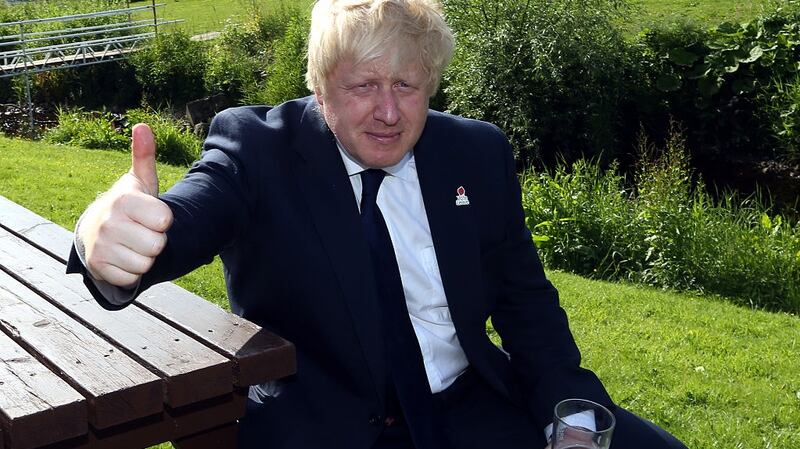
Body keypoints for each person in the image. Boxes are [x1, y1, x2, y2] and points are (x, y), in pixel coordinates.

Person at [67, 1, 688, 448]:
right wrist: (109, 233)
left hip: (471, 407)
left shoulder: (477, 154)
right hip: (327, 426)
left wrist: (571, 416)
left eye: (407, 85)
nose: (389, 112)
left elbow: (528, 306)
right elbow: (190, 213)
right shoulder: (257, 150)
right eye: (364, 85)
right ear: (318, 89)